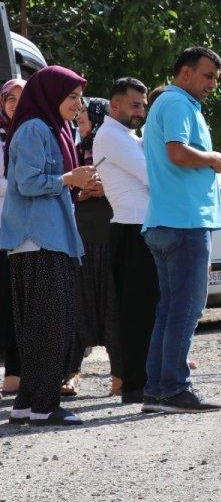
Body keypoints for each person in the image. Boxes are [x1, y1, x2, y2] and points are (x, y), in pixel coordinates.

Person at [0, 66, 97, 424]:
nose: (78, 104)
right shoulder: (34, 128)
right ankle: (44, 405)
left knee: (39, 326)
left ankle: (28, 404)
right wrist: (69, 178)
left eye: (79, 98)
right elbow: (26, 183)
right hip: (38, 238)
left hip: (45, 237)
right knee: (50, 326)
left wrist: (74, 182)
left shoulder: (48, 128)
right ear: (51, 94)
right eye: (71, 96)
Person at [141, 45, 221, 413]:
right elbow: (177, 152)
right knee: (187, 308)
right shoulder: (177, 103)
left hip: (167, 220)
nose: (212, 84)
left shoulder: (174, 103)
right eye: (207, 76)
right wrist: (214, 159)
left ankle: (158, 390)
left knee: (171, 309)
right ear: (185, 72)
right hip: (184, 222)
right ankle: (174, 388)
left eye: (216, 79)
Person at [93, 77, 154, 404]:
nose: (141, 111)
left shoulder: (127, 135)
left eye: (143, 105)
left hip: (138, 229)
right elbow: (151, 177)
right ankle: (134, 385)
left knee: (145, 311)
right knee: (136, 314)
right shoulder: (111, 136)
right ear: (114, 105)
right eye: (135, 105)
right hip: (131, 231)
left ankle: (140, 381)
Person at [70, 96, 121, 397]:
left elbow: (136, 184)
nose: (79, 118)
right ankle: (71, 373)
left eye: (84, 113)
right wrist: (78, 186)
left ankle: (119, 377)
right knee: (79, 305)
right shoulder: (75, 150)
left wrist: (106, 187)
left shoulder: (116, 147)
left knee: (113, 306)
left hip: (112, 236)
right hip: (81, 238)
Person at [0, 78, 25, 398]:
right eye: (10, 99)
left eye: (23, 98)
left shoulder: (36, 132)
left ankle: (19, 373)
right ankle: (13, 373)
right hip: (3, 235)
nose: (16, 105)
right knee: (7, 305)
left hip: (27, 234)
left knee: (24, 305)